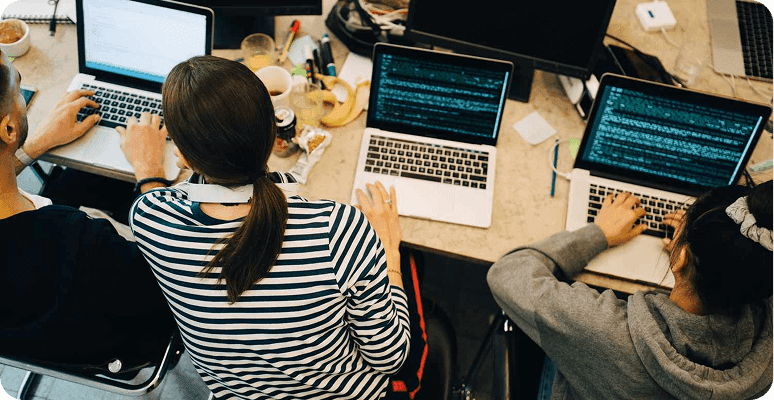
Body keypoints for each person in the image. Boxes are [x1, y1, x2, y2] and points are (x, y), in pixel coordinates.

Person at [121, 55, 411, 400]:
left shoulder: (149, 219)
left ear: (182, 156)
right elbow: (391, 359)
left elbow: (155, 203)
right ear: (274, 133)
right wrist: (389, 251)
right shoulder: (340, 230)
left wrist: (147, 170)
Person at [487, 182, 773, 400]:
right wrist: (714, 250)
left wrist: (598, 233)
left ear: (682, 257)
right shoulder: (764, 354)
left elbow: (507, 273)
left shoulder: (598, 329)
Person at [0, 51, 175, 370]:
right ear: (8, 130)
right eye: (19, 90)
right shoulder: (77, 240)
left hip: (26, 337)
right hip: (128, 341)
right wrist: (149, 169)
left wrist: (35, 145)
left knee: (72, 180)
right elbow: (169, 275)